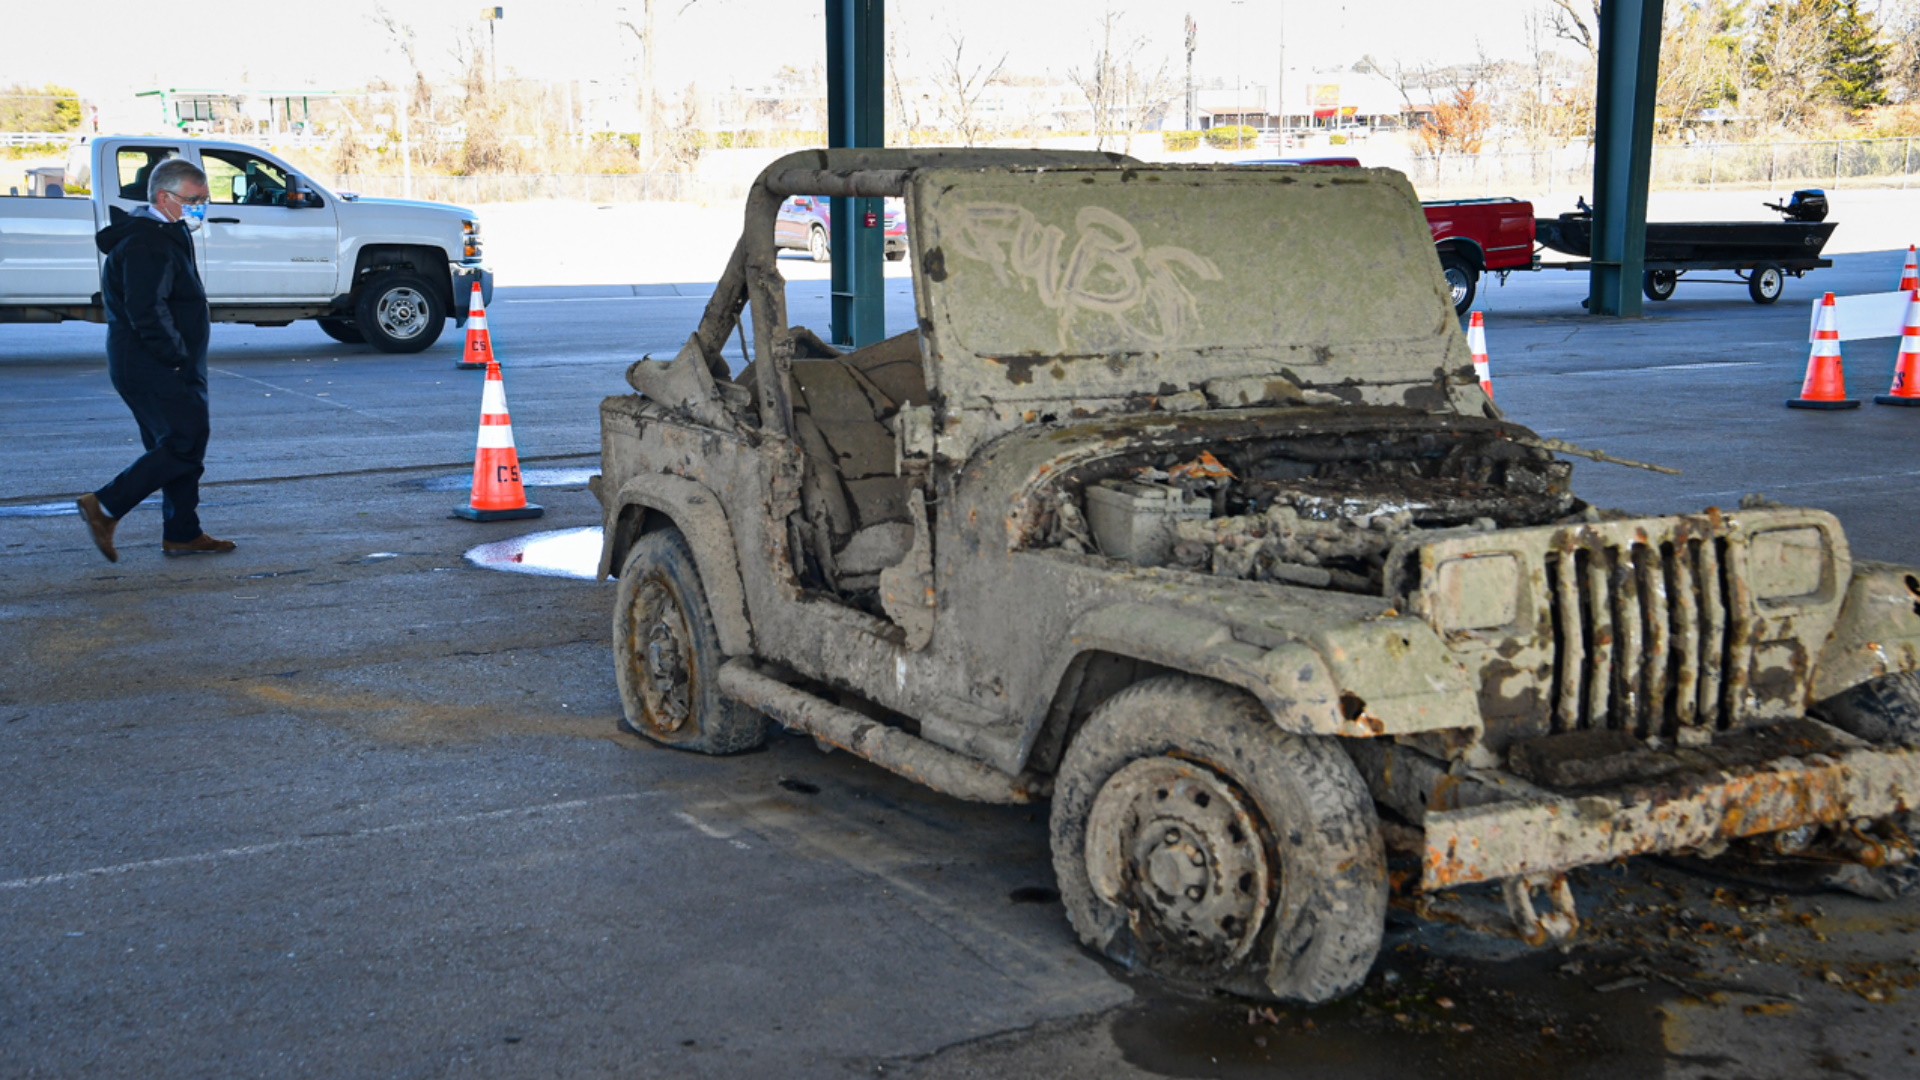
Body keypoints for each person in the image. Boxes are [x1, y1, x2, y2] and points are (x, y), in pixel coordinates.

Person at [75, 159, 236, 561]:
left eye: (205, 199)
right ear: (164, 197)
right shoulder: (146, 243)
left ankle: (183, 532)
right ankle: (105, 506)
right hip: (154, 363)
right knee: (183, 443)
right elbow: (146, 309)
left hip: (165, 362)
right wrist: (176, 357)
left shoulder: (166, 232)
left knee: (179, 448)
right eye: (194, 199)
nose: (201, 207)